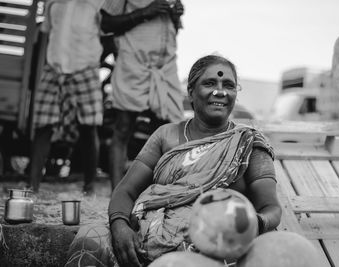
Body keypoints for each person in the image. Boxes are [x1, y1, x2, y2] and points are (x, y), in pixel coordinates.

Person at [65, 55, 282, 267]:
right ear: (190, 91)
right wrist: (120, 225)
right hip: (142, 238)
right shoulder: (166, 135)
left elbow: (270, 207)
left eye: (229, 85)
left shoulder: (247, 143)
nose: (220, 91)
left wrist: (247, 224)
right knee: (90, 239)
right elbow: (125, 191)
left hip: (212, 248)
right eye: (209, 83)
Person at [100, 0, 185, 190]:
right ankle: (118, 194)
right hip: (134, 62)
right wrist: (145, 12)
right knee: (123, 126)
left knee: (168, 132)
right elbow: (105, 23)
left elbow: (173, 31)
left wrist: (175, 15)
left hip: (165, 67)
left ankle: (160, 193)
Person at [29, 0, 104, 194]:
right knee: (42, 126)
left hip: (85, 69)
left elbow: (108, 33)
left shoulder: (98, 2)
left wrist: (97, 61)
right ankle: (33, 186)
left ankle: (89, 186)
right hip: (54, 68)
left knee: (89, 127)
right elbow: (47, 32)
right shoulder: (52, 2)